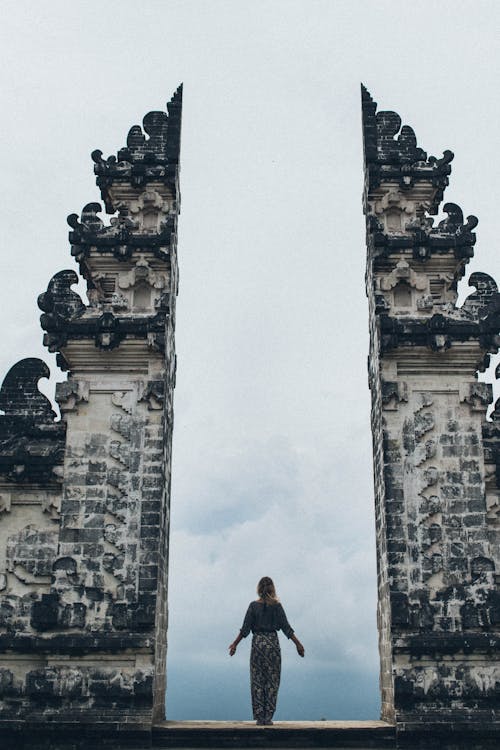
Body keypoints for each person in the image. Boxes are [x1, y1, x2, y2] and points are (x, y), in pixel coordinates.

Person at [228, 576, 305, 726]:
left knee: (257, 680)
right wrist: (298, 644)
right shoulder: (277, 606)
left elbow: (245, 629)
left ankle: (259, 716)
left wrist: (234, 644)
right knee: (272, 680)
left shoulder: (252, 606)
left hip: (257, 644)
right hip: (272, 645)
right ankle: (268, 717)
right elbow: (286, 628)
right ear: (272, 589)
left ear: (258, 589)